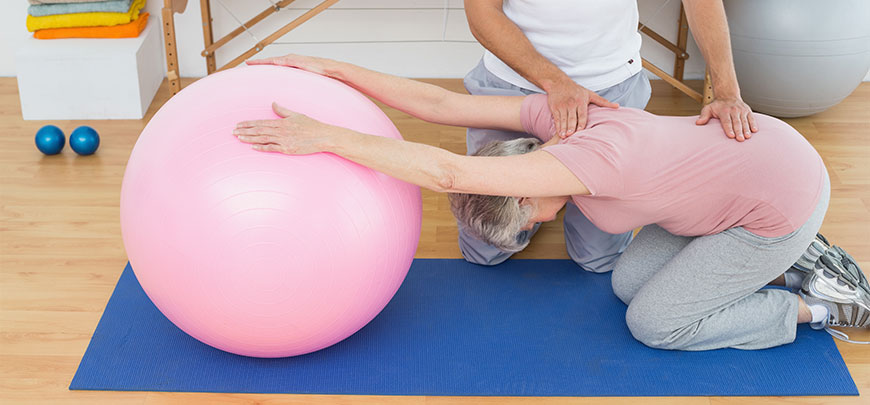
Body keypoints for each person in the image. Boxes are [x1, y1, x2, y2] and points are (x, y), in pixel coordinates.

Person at [233, 55, 868, 350]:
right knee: (626, 283)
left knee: (655, 325)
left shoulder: (595, 162)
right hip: (741, 181)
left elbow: (448, 172)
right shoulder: (555, 123)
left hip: (778, 201)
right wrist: (338, 72)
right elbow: (443, 105)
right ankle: (799, 262)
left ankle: (816, 306)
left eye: (527, 220)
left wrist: (323, 136)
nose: (539, 225)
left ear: (531, 196)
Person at [461, 0, 757, 271]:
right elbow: (482, 13)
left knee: (598, 260)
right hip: (513, 82)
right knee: (484, 250)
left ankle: (553, 195)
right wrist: (555, 81)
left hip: (608, 92)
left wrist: (727, 91)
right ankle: (546, 197)